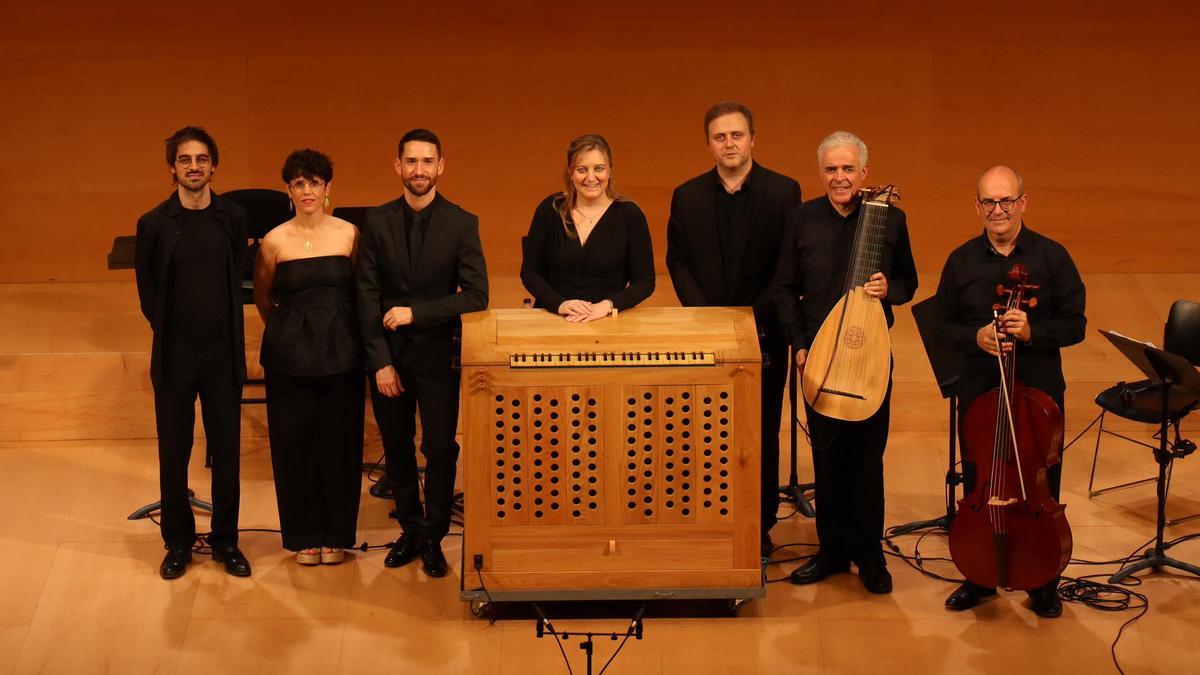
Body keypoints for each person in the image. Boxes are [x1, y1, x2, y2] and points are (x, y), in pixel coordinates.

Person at [933, 165, 1086, 618]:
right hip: (981, 391)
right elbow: (940, 326)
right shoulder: (961, 261)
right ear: (976, 206)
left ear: (1022, 202)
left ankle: (1043, 581)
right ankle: (979, 576)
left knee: (1040, 481)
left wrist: (1032, 332)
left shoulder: (1053, 258)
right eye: (988, 202)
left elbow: (1076, 324)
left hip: (1038, 394)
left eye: (1005, 201)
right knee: (981, 475)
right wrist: (975, 338)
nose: (996, 210)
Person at [773, 130, 918, 594]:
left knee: (867, 459)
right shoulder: (801, 219)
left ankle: (870, 554)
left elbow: (909, 283)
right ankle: (832, 551)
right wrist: (799, 344)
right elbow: (783, 287)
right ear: (822, 173)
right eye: (831, 169)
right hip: (820, 355)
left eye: (848, 169)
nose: (840, 177)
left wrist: (887, 289)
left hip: (871, 356)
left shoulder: (888, 220)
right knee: (828, 459)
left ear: (864, 174)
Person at [666, 102, 802, 557]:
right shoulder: (686, 196)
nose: (729, 144)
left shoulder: (785, 192)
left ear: (752, 139)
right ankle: (707, 516)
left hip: (763, 331)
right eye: (720, 137)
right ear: (709, 143)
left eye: (737, 135)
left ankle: (758, 524)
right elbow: (677, 261)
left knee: (759, 431)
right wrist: (708, 315)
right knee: (703, 429)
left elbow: (788, 266)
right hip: (705, 333)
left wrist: (746, 316)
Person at [355, 129, 489, 577]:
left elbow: (476, 296)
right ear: (398, 166)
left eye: (427, 162)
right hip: (389, 358)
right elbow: (366, 296)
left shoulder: (461, 222)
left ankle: (433, 536)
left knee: (439, 449)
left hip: (437, 357)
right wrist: (380, 361)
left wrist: (417, 313)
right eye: (411, 162)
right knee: (395, 449)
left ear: (440, 167)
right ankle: (409, 530)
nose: (419, 170)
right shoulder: (376, 221)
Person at [134, 126, 251, 579]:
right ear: (173, 168)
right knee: (175, 451)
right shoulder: (153, 224)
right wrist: (173, 332)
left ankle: (226, 542)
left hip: (223, 352)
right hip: (176, 354)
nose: (195, 167)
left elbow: (238, 275)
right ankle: (178, 543)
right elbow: (147, 291)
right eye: (185, 160)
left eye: (202, 159)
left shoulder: (233, 218)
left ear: (214, 166)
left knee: (227, 452)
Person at [254, 149, 364, 566]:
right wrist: (290, 331)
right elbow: (264, 297)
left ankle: (336, 534)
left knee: (338, 442)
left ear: (327, 187)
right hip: (289, 355)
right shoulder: (274, 239)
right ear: (289, 189)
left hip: (341, 351)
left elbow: (359, 293)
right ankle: (303, 537)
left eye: (314, 182)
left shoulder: (349, 234)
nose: (307, 190)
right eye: (298, 183)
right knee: (293, 445)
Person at [521, 134, 654, 321]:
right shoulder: (550, 209)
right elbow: (530, 272)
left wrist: (607, 305)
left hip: (607, 320)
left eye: (599, 169)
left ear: (609, 171)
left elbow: (645, 283)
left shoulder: (630, 215)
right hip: (553, 318)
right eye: (582, 169)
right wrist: (560, 304)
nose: (590, 178)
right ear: (570, 172)